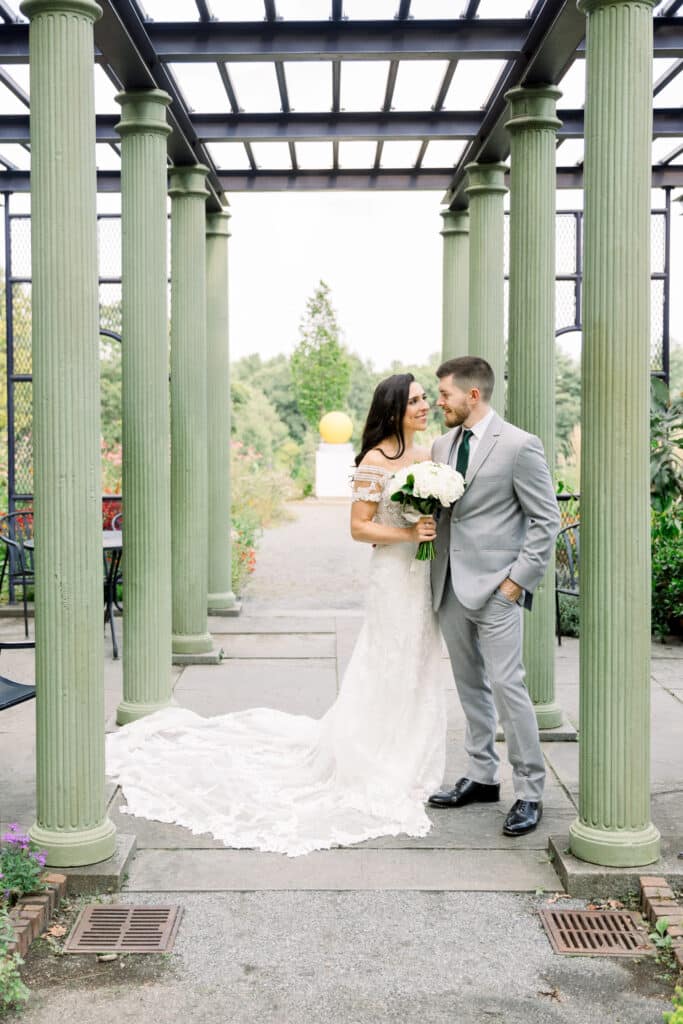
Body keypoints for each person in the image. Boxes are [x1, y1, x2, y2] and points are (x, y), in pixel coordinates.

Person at [106, 374, 446, 856]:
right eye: (414, 400)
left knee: (420, 663)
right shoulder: (375, 460)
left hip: (422, 577)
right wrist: (411, 535)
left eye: (425, 398)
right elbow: (359, 527)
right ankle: (376, 760)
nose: (424, 405)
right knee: (388, 661)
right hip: (392, 575)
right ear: (392, 408)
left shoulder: (430, 454)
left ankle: (414, 757)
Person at [428, 356, 560, 837]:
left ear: (473, 395)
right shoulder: (441, 445)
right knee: (469, 687)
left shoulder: (520, 446)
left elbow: (546, 520)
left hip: (498, 589)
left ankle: (530, 790)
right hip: (448, 585)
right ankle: (482, 775)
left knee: (509, 688)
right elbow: (448, 515)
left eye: (444, 394)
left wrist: (516, 583)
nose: (439, 402)